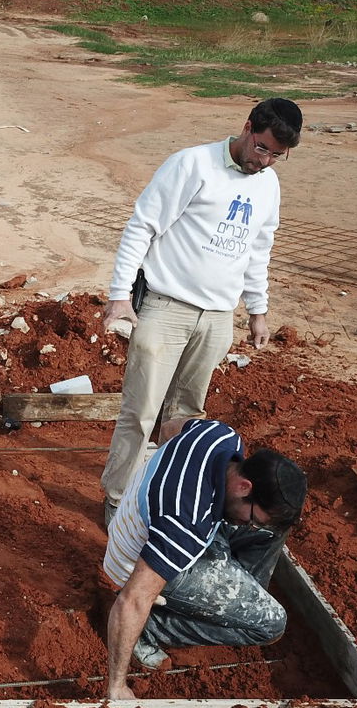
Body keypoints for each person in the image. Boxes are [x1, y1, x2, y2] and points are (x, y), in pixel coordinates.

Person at [99, 98, 303, 523]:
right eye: (261, 148)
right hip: (165, 306)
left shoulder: (267, 185)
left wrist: (257, 311)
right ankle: (117, 499)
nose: (264, 161)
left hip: (217, 316)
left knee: (187, 414)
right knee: (141, 412)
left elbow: (258, 250)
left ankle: (166, 493)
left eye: (276, 156)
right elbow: (143, 225)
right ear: (248, 128)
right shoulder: (193, 165)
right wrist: (120, 293)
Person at [101, 418, 307, 700]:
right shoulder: (183, 525)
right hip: (141, 561)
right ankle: (151, 628)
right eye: (254, 519)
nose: (252, 525)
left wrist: (167, 482)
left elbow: (172, 427)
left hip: (161, 525)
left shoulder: (221, 436)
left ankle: (236, 597)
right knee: (270, 625)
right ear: (244, 487)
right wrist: (117, 687)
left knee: (273, 533)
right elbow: (133, 598)